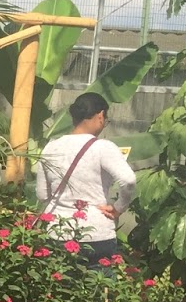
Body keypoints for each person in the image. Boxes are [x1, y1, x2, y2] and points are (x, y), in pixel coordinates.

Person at [35, 92, 136, 268]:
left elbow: (43, 194)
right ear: (100, 115)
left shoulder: (51, 147)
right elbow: (128, 180)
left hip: (58, 232)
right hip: (96, 234)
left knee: (60, 289)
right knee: (97, 290)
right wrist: (118, 208)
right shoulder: (103, 147)